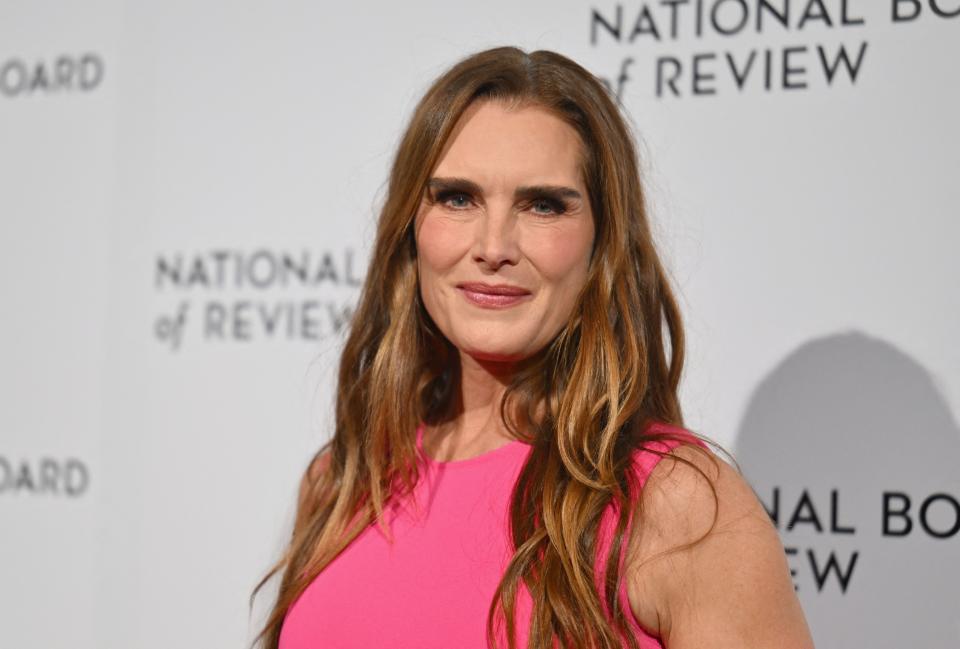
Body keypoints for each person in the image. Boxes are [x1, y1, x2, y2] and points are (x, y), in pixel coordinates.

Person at [250, 46, 814, 649]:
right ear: (411, 229)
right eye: (457, 197)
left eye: (542, 204)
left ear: (603, 242)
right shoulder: (342, 481)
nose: (493, 245)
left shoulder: (675, 505)